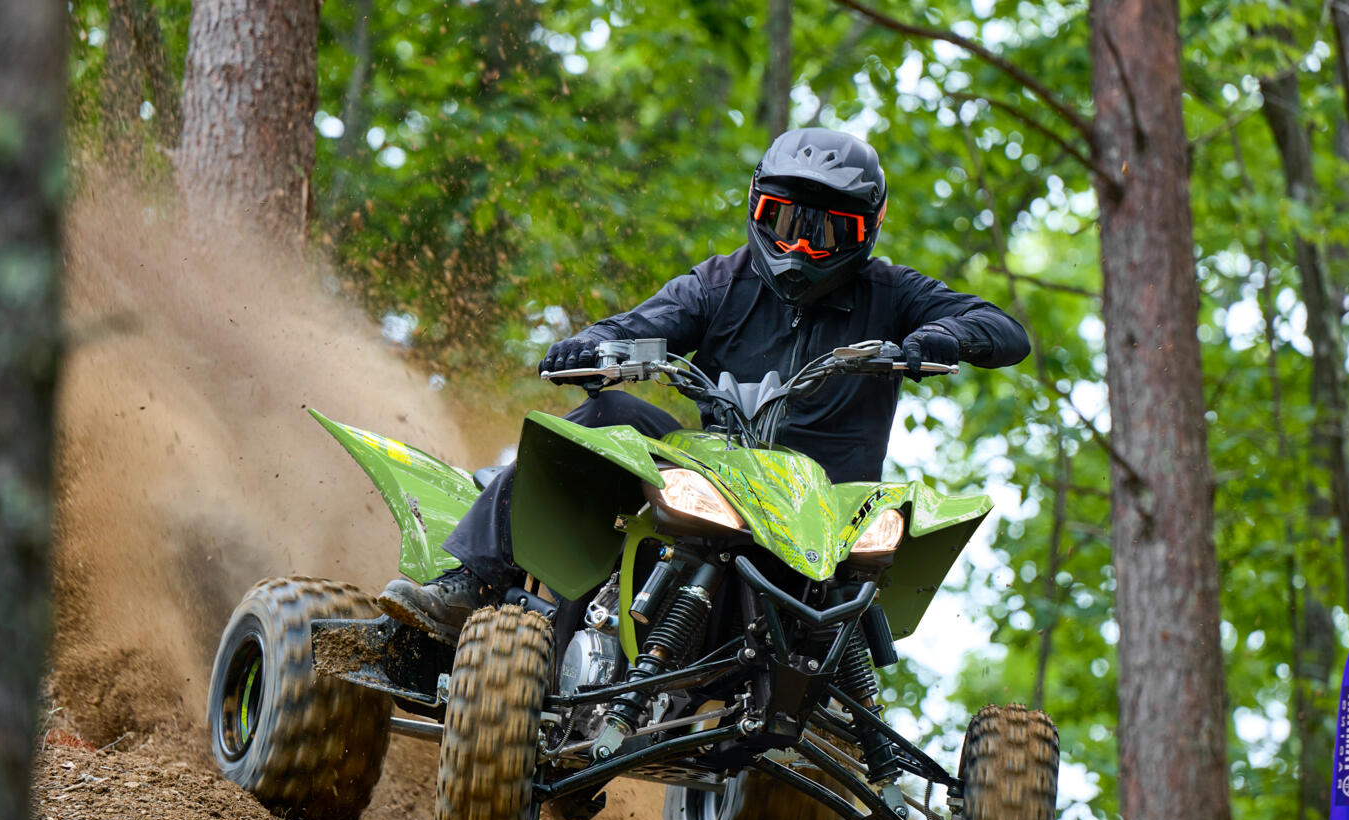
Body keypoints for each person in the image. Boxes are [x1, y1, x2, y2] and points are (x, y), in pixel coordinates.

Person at [379, 126, 1030, 636]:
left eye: (829, 231)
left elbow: (1000, 327)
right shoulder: (721, 281)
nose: (801, 247)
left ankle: (841, 711)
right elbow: (647, 323)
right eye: (784, 220)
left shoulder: (891, 292)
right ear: (755, 207)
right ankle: (473, 582)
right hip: (718, 484)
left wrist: (943, 337)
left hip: (824, 511)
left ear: (869, 230)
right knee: (610, 419)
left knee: (894, 542)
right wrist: (598, 349)